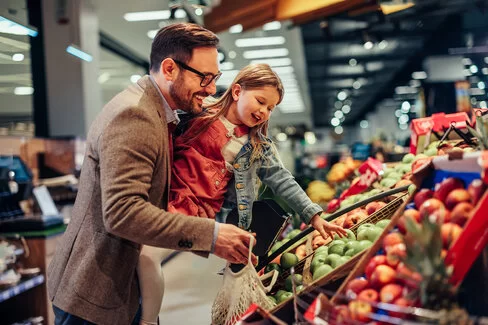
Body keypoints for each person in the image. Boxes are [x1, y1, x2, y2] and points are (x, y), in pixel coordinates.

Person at [47, 23, 257, 325]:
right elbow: (123, 212)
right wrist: (210, 236)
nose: (212, 89)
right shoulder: (135, 116)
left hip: (120, 285)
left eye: (216, 78)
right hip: (95, 295)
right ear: (170, 68)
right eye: (205, 77)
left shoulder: (159, 113)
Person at [137, 63, 347, 324]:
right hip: (163, 197)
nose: (264, 112)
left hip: (199, 214)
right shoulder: (199, 113)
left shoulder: (257, 146)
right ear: (237, 91)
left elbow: (283, 180)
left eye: (270, 108)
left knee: (147, 254)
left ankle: (147, 321)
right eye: (260, 101)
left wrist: (314, 216)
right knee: (141, 256)